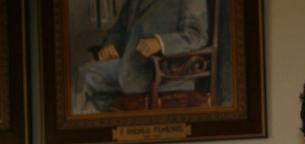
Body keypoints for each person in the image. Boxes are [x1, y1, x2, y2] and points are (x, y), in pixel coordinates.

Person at [73, 0, 209, 113]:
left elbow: (196, 36)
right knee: (84, 80)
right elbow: (119, 29)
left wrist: (160, 43)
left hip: (163, 74)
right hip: (131, 66)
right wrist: (110, 46)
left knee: (82, 75)